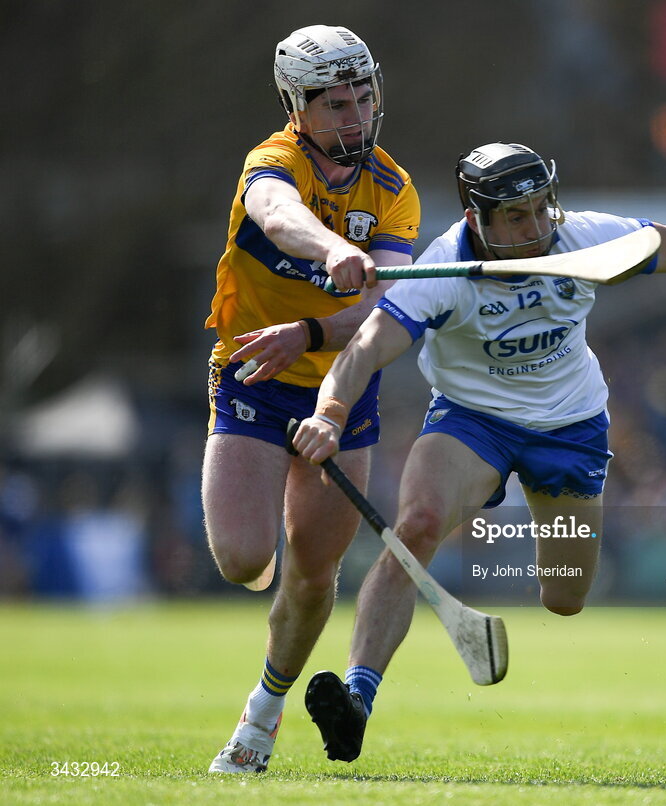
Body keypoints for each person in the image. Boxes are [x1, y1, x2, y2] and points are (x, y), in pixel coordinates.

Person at [290, 142, 666, 761]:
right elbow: (368, 348)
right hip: (472, 421)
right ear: (476, 218)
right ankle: (357, 698)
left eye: (542, 209)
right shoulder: (442, 271)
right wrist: (329, 413)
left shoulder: (585, 239)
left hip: (571, 429)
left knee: (564, 595)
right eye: (515, 217)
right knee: (417, 526)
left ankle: (504, 573)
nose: (535, 228)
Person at [204, 24, 419, 774]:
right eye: (333, 103)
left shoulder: (392, 191)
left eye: (363, 97)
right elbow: (275, 214)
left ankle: (259, 722)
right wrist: (332, 251)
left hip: (342, 384)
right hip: (254, 377)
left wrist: (309, 330)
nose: (354, 116)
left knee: (314, 573)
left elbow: (382, 312)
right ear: (297, 105)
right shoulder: (272, 162)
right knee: (240, 559)